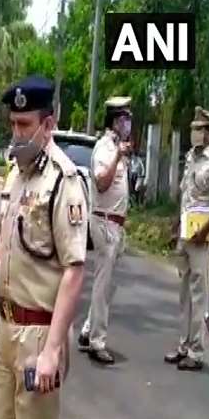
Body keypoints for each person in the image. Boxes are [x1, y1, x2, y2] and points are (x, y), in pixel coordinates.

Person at [0, 76, 88, 419]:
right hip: (4, 329)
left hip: (39, 335)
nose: (17, 133)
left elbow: (75, 269)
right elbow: (16, 233)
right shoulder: (17, 173)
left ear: (48, 124)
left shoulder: (64, 182)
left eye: (25, 125)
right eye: (14, 124)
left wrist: (54, 350)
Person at [165, 106, 209, 371]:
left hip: (202, 237)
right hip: (186, 232)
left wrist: (205, 231)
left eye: (200, 129)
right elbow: (185, 196)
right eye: (193, 129)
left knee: (199, 295)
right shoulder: (190, 157)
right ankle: (183, 345)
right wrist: (176, 227)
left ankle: (197, 351)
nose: (195, 133)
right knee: (184, 294)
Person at [77, 97, 132, 365]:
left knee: (108, 286)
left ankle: (88, 331)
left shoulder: (117, 148)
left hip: (116, 223)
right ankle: (98, 341)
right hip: (104, 222)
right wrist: (119, 156)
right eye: (124, 119)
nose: (128, 124)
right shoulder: (105, 147)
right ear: (114, 121)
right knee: (102, 284)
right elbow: (100, 183)